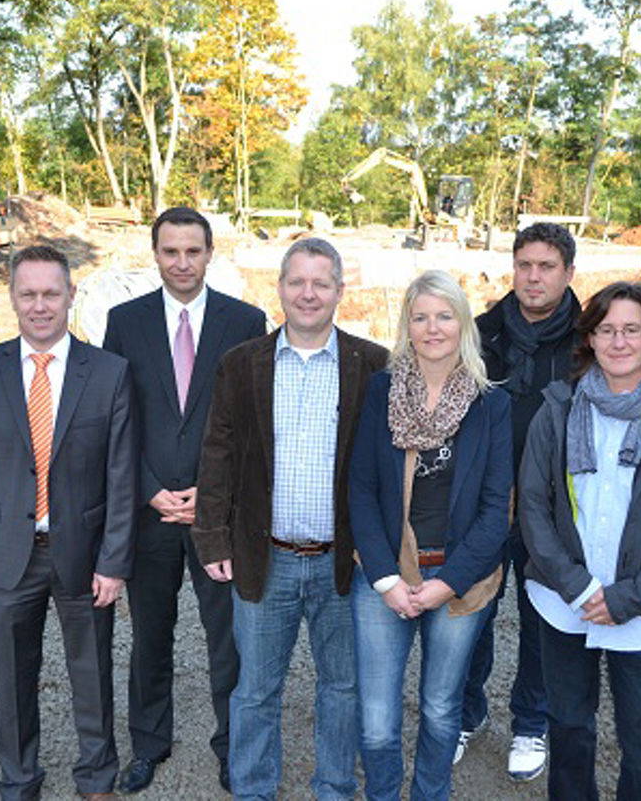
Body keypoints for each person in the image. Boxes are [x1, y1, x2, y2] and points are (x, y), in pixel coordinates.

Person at [192, 237, 389, 800]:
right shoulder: (242, 364)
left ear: (339, 292)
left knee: (343, 687)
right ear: (279, 288)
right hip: (265, 556)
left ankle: (332, 787)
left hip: (342, 564)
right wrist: (211, 538)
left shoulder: (372, 365)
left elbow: (385, 463)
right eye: (297, 282)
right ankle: (253, 789)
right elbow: (218, 454)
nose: (308, 294)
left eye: (320, 283)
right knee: (254, 689)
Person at [0, 244, 136, 801]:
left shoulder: (109, 372)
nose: (39, 305)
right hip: (8, 551)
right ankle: (19, 777)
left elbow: (121, 477)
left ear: (71, 296)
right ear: (11, 297)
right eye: (27, 293)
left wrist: (115, 561)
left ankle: (97, 776)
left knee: (92, 672)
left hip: (82, 551)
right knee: (11, 677)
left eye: (51, 293)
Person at [519, 281, 641, 800]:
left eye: (632, 329)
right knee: (569, 731)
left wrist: (629, 595)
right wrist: (579, 588)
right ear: (590, 338)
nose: (619, 341)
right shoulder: (557, 410)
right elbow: (534, 506)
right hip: (565, 604)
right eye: (606, 329)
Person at [103, 207, 266, 794]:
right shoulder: (124, 322)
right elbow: (116, 416)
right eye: (170, 251)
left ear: (209, 253)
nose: (181, 262)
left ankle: (232, 746)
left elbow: (253, 420)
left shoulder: (245, 320)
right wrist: (148, 490)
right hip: (148, 513)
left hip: (217, 514)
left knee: (229, 640)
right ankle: (149, 745)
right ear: (155, 254)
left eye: (192, 251)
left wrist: (212, 493)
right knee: (150, 636)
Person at [348, 270, 512, 800]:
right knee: (376, 715)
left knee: (442, 709)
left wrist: (451, 582)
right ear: (407, 326)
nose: (432, 328)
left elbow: (496, 511)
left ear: (463, 323)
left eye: (444, 316)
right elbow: (362, 490)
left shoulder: (491, 404)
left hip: (459, 579)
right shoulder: (382, 390)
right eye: (420, 317)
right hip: (388, 573)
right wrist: (384, 579)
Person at [456, 222, 581, 780]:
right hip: (485, 504)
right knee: (472, 613)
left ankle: (531, 724)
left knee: (541, 623)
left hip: (553, 512)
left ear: (568, 274)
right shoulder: (480, 335)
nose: (533, 277)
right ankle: (465, 713)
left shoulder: (588, 342)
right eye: (525, 265)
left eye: (546, 267)